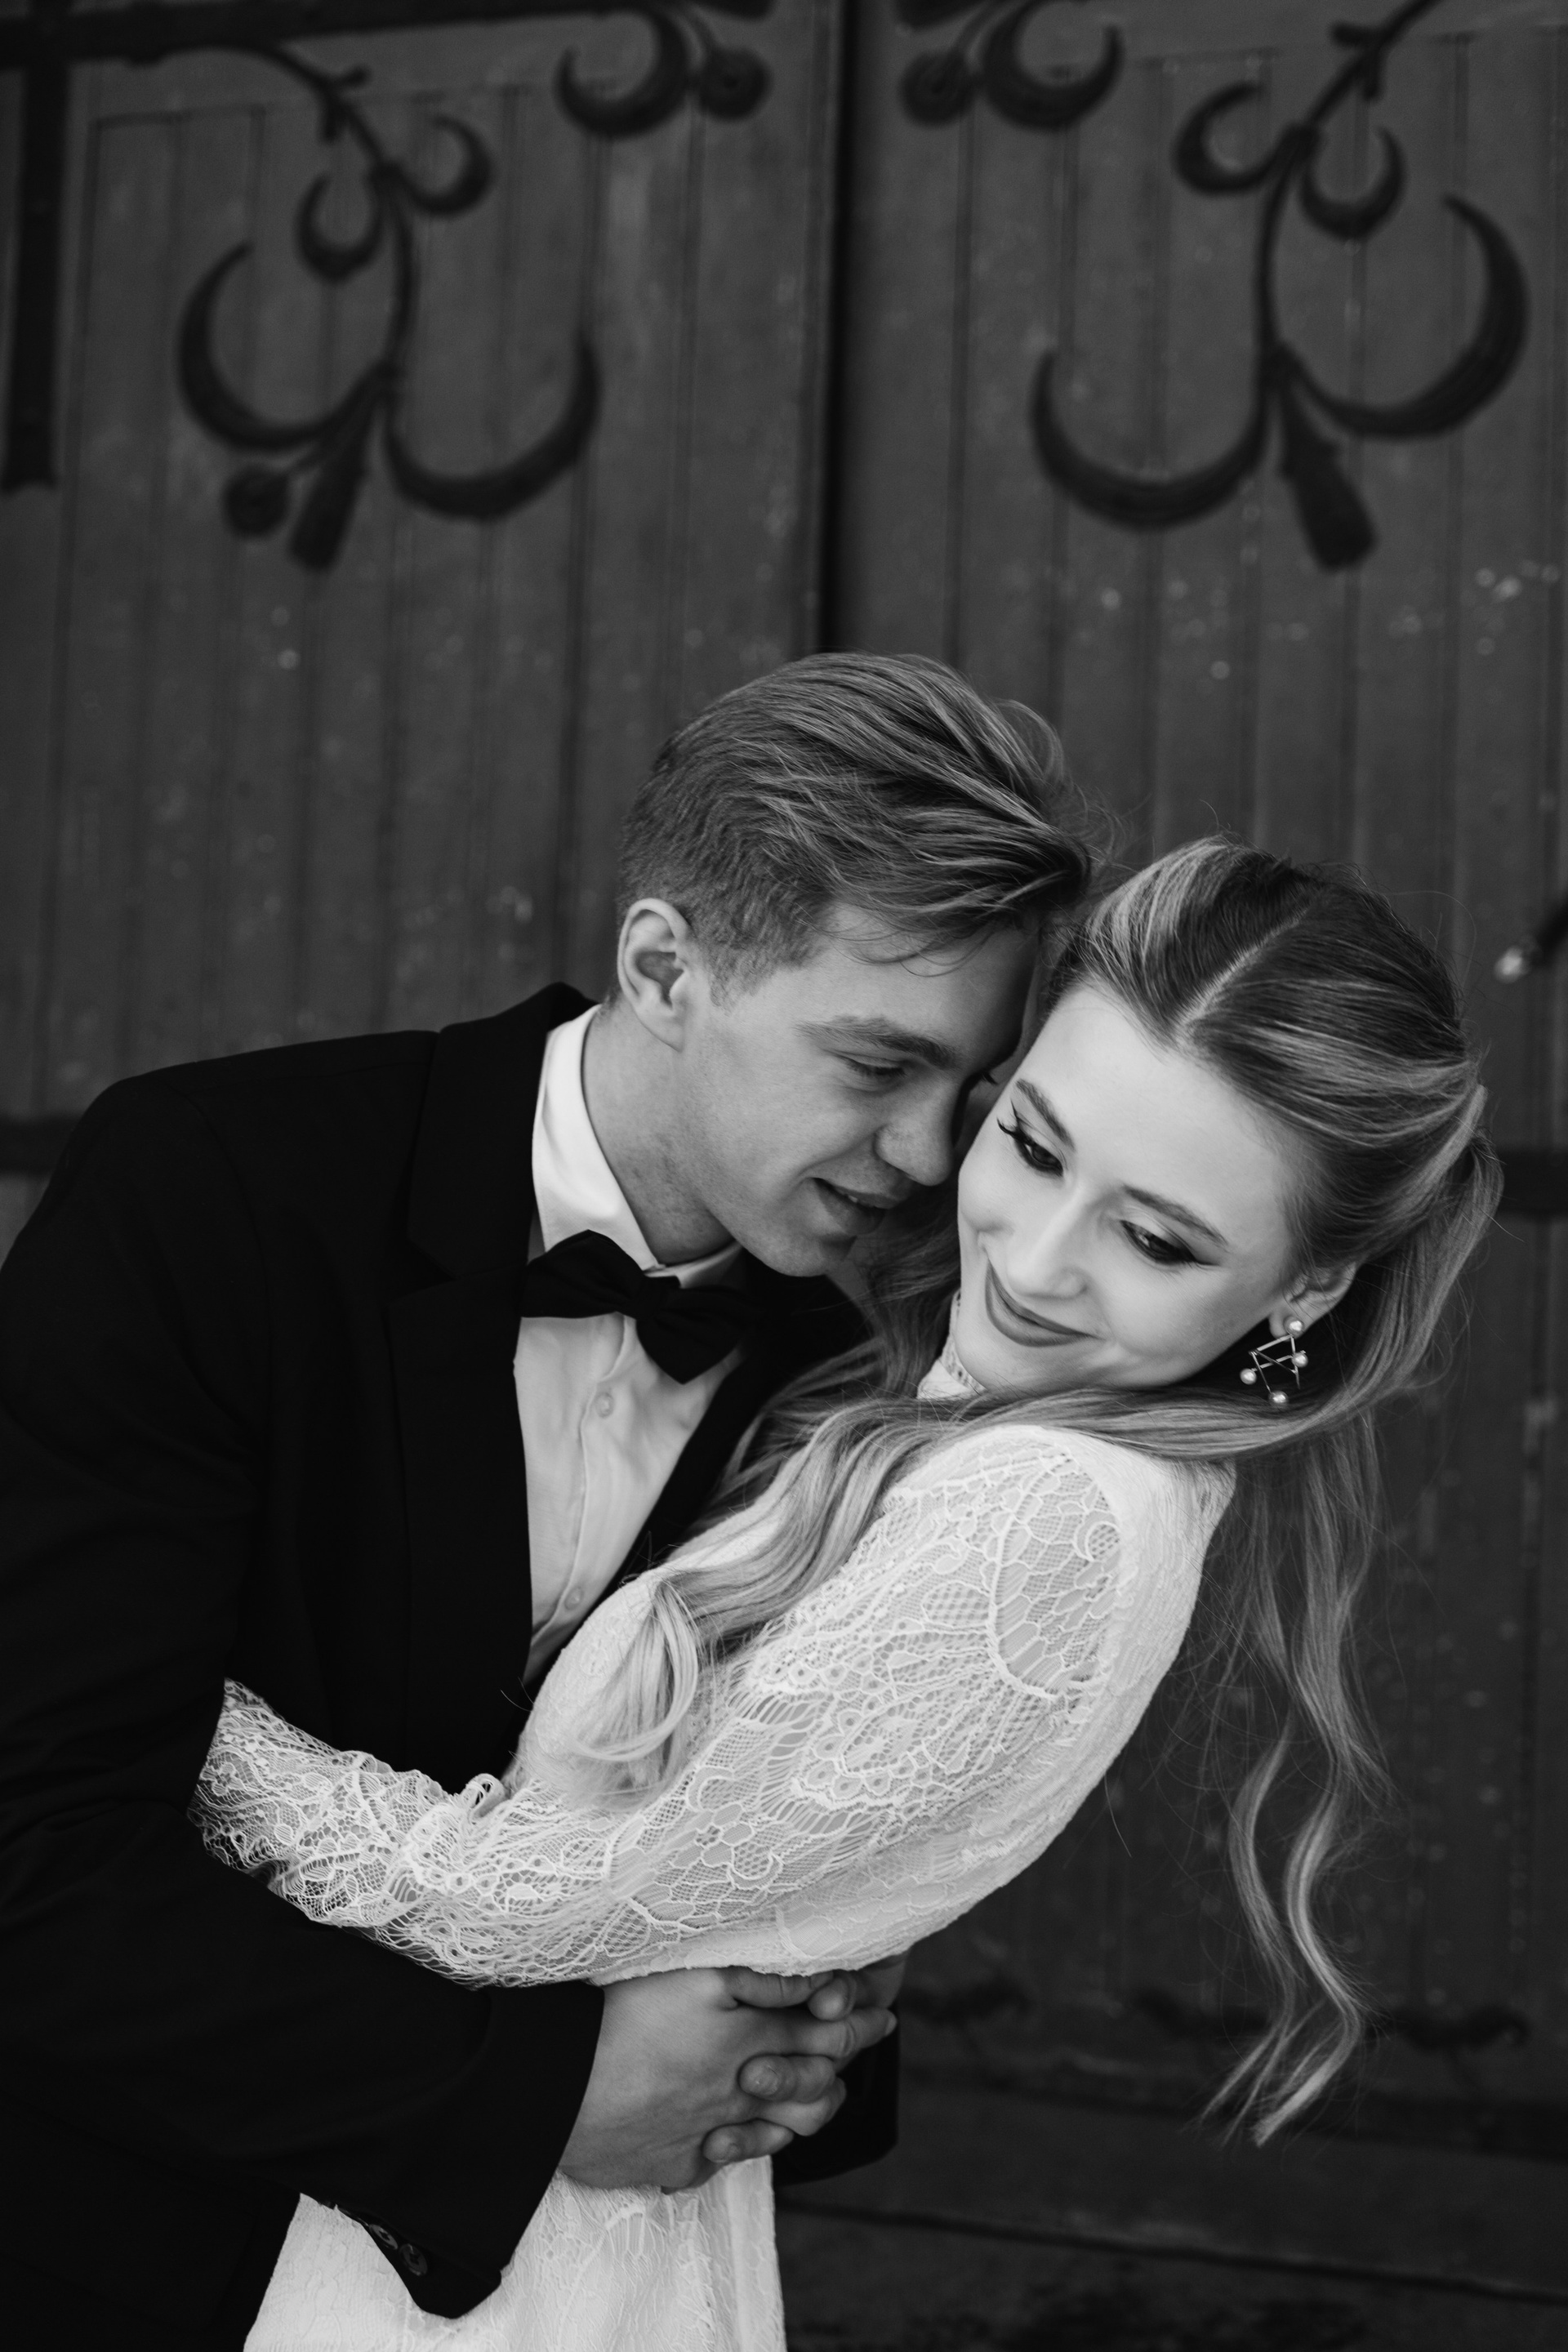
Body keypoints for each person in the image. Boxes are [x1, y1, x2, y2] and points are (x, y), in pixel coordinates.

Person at [192, 837, 1500, 2352]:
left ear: (1308, 1287)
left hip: (506, 2269)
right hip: (491, 2215)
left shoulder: (1049, 1514)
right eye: (1033, 1145)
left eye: (1154, 1240)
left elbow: (517, 1916)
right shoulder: (973, 1422)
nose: (1037, 1262)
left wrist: (166, 1719)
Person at [0, 655, 1090, 2351]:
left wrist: (796, 2031)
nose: (934, 1158)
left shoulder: (905, 1338)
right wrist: (532, 2100)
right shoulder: (211, 1190)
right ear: (664, 967)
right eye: (878, 1064)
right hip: (143, 2260)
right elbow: (35, 1845)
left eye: (976, 1092)